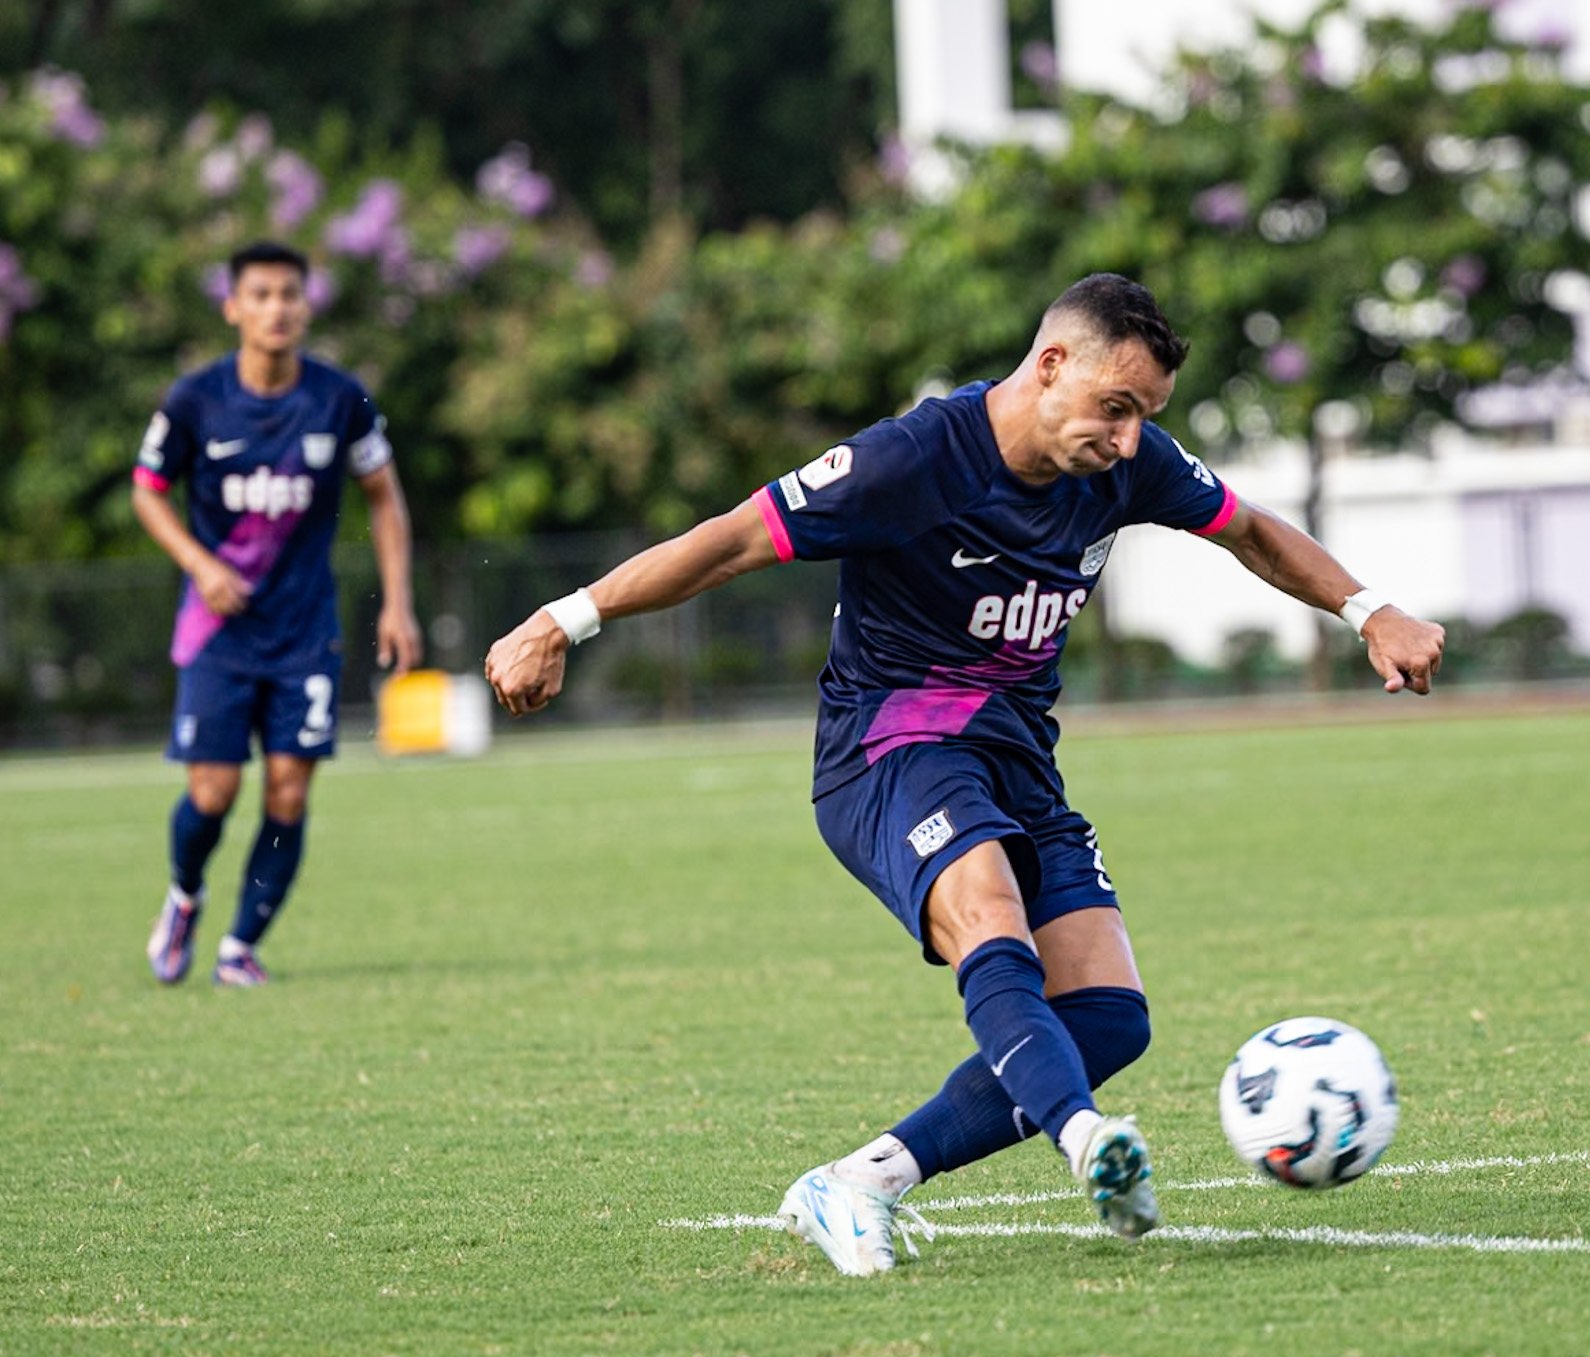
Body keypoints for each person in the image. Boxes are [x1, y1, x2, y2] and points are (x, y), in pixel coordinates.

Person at [483, 273, 1444, 1274]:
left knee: (1108, 1016)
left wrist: (1369, 609)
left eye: (1144, 418)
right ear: (1049, 366)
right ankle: (1087, 1142)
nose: (1126, 441)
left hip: (1017, 756)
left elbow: (1247, 529)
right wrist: (562, 621)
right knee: (989, 912)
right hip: (887, 748)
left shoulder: (1125, 466)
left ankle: (860, 1182)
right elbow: (730, 541)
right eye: (1115, 410)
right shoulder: (909, 460)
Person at [134, 241, 423, 986]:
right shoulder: (196, 400)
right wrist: (200, 565)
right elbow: (146, 490)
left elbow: (385, 497)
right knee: (214, 792)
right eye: (260, 294)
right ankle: (185, 896)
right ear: (233, 308)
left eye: (289, 293)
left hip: (305, 633)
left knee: (289, 790)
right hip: (218, 633)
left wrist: (397, 603)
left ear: (307, 305)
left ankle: (239, 947)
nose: (277, 308)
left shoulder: (339, 399)